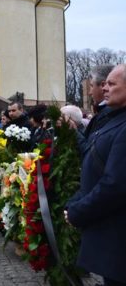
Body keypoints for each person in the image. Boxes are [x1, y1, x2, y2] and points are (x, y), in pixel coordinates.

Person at [65, 64, 126, 285]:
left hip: (118, 237)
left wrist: (78, 211)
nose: (105, 88)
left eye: (111, 84)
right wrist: (73, 202)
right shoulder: (115, 119)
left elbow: (115, 184)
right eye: (105, 83)